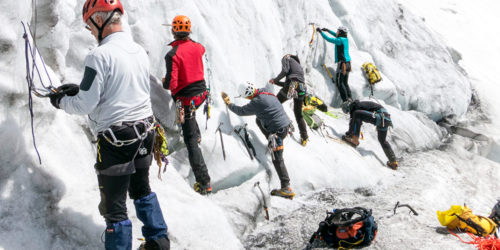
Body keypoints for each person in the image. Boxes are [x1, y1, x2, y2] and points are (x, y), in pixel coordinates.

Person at [48, 0, 170, 249]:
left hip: (117, 141)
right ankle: (159, 241)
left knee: (114, 208)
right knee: (142, 189)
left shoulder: (98, 55)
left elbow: (85, 106)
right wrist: (79, 90)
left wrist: (61, 101)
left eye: (89, 26)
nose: (90, 31)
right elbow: (121, 89)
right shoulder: (138, 51)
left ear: (100, 20)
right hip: (144, 133)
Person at [162, 15, 212, 195]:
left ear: (173, 31)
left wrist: (164, 82)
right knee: (192, 120)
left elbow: (172, 84)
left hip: (186, 100)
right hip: (201, 96)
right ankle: (196, 134)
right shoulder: (198, 47)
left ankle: (204, 181)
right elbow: (200, 48)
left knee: (190, 142)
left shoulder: (172, 54)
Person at [221, 83, 295, 199]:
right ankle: (270, 140)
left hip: (278, 132)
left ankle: (286, 187)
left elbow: (241, 111)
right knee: (258, 119)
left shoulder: (257, 102)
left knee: (277, 159)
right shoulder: (266, 92)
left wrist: (229, 104)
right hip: (285, 126)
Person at [341, 100, 399, 170]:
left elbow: (355, 118)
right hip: (385, 119)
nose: (348, 112)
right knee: (382, 140)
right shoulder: (361, 105)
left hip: (380, 116)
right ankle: (393, 161)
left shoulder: (356, 106)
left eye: (347, 111)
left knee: (357, 113)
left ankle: (354, 139)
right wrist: (349, 133)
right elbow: (355, 120)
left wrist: (350, 134)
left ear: (349, 106)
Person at [269, 54, 309, 146]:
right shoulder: (299, 67)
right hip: (302, 88)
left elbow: (285, 71)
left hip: (292, 85)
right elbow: (290, 82)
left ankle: (277, 125)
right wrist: (275, 82)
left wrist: (275, 79)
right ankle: (304, 138)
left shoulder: (287, 58)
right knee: (298, 114)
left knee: (275, 103)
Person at [317, 26, 353, 102]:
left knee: (340, 83)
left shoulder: (339, 40)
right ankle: (350, 99)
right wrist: (328, 30)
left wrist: (321, 32)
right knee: (345, 83)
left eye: (338, 31)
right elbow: (336, 36)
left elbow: (329, 39)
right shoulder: (345, 39)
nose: (336, 32)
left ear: (340, 32)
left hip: (342, 65)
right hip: (348, 64)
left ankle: (346, 101)